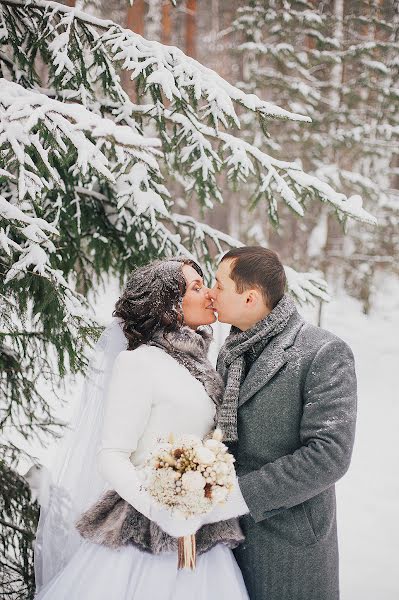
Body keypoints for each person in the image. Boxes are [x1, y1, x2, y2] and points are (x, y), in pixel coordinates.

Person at [33, 257, 249, 600]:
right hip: (143, 539)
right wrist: (163, 510)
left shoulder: (204, 364)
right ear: (168, 306)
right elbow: (112, 456)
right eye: (196, 287)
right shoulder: (139, 362)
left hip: (204, 536)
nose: (209, 293)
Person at [209, 246, 358, 600]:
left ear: (250, 298)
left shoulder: (323, 352)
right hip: (227, 541)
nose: (211, 293)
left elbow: (329, 456)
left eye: (219, 285)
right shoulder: (231, 350)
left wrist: (239, 495)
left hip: (289, 545)